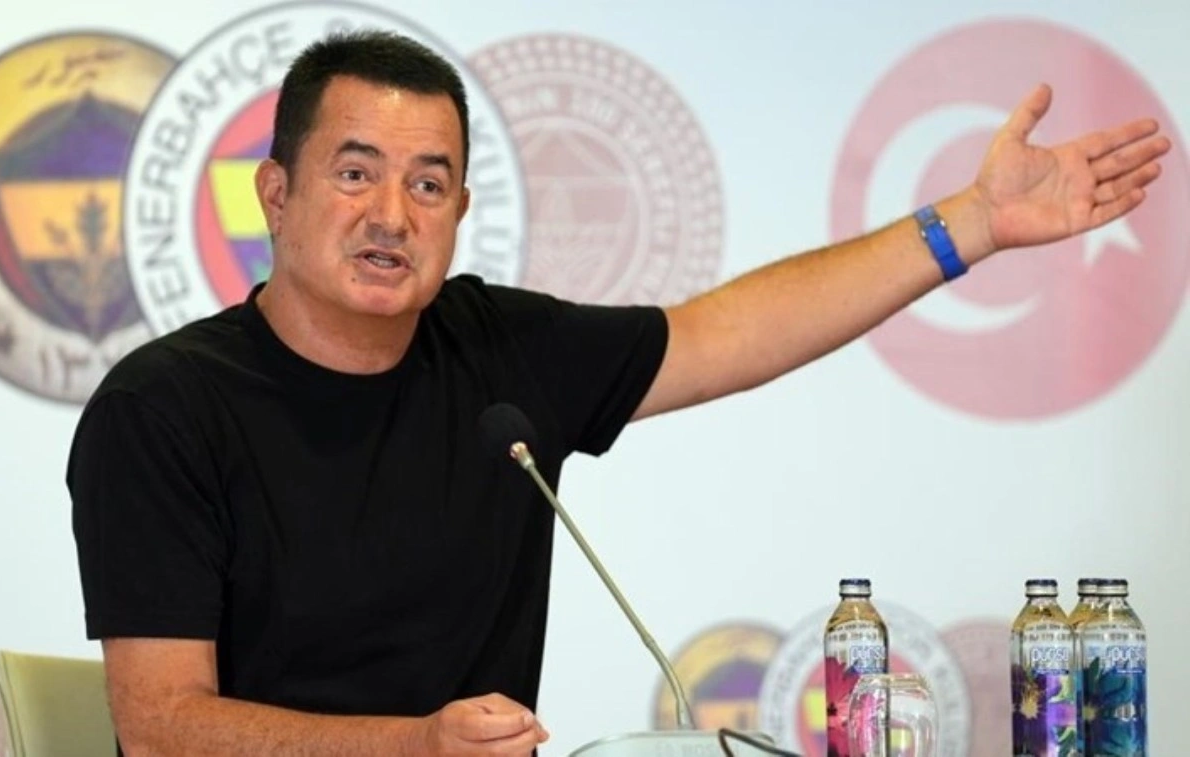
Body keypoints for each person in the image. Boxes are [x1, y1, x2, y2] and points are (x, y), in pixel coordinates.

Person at [68, 27, 1169, 757]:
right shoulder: (165, 408)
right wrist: (415, 744)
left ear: (459, 211)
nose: (391, 215)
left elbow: (727, 331)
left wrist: (969, 224)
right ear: (276, 192)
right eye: (355, 173)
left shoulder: (497, 354)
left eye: (429, 183)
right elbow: (161, 725)